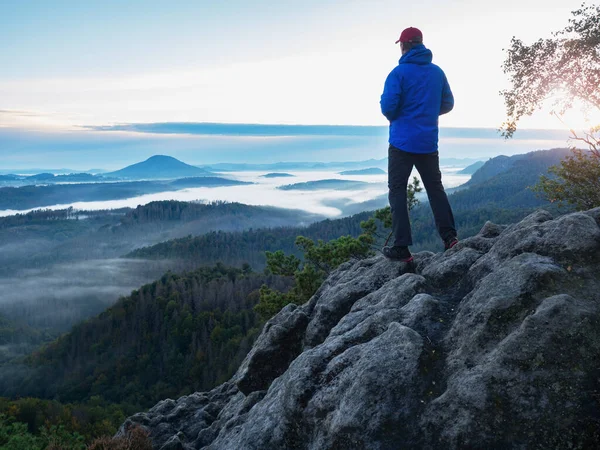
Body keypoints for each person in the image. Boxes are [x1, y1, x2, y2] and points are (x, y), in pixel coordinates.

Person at [380, 27, 458, 263]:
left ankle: (402, 247)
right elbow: (448, 103)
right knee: (435, 189)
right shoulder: (437, 73)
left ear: (404, 45)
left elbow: (388, 108)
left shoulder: (398, 73)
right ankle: (450, 238)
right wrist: (427, 113)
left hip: (401, 143)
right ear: (421, 44)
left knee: (397, 192)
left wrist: (404, 115)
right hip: (427, 143)